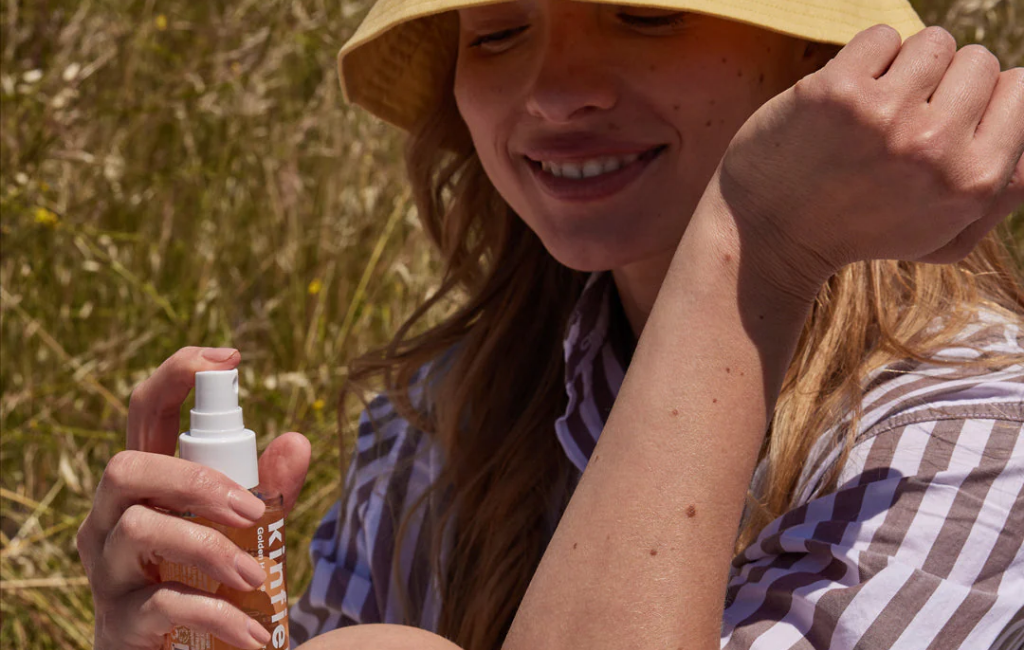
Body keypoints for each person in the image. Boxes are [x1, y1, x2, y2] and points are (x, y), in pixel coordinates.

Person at [75, 0, 1024, 648]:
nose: (555, 92)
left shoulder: (972, 437)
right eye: (496, 32)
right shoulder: (439, 421)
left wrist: (750, 239)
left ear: (816, 63)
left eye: (644, 13)